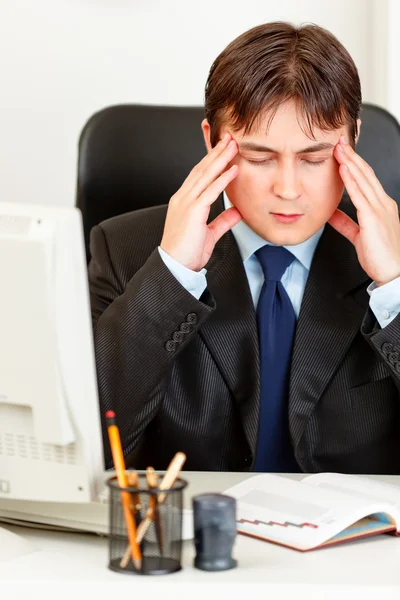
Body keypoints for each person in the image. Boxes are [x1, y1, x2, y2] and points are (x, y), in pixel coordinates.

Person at [89, 22, 400, 474]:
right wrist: (173, 275)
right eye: (258, 158)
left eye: (314, 159)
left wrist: (393, 289)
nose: (288, 189)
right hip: (191, 537)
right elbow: (88, 443)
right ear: (211, 142)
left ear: (351, 140)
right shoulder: (122, 250)